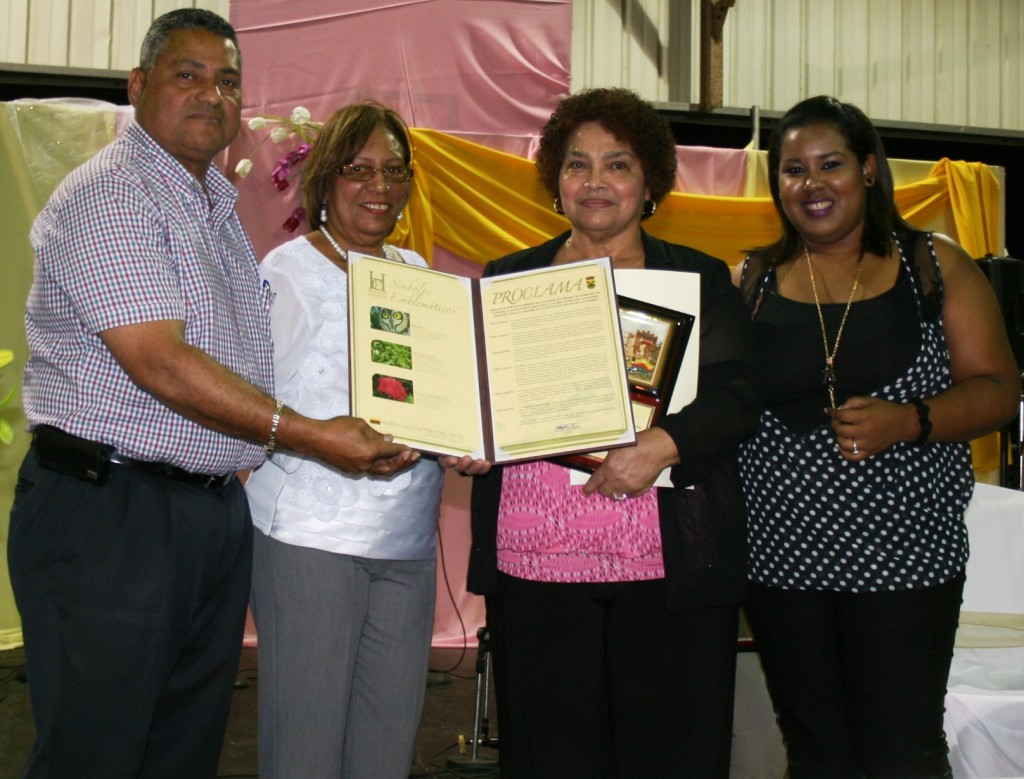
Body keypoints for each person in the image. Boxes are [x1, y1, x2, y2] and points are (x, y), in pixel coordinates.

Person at [8, 11, 416, 778]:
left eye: (227, 80)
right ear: (138, 86)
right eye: (186, 75)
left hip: (202, 513)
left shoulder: (214, 213)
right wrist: (306, 433)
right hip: (109, 513)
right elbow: (158, 362)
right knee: (97, 751)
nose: (211, 94)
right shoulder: (112, 195)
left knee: (180, 749)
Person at [466, 87, 762, 778]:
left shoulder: (696, 277)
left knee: (669, 755)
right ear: (555, 181)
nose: (596, 181)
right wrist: (472, 438)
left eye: (618, 164)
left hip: (667, 568)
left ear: (650, 180)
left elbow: (737, 395)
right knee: (552, 756)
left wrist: (662, 444)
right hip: (535, 562)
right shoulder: (510, 278)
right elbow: (485, 400)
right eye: (577, 164)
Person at [733, 95, 1021, 778]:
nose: (812, 183)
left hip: (904, 558)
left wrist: (911, 420)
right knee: (814, 751)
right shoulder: (751, 281)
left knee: (900, 751)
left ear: (867, 168)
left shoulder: (933, 266)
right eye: (793, 170)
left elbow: (999, 388)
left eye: (830, 164)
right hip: (780, 562)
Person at [245, 101, 489, 779]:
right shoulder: (287, 272)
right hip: (310, 538)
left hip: (406, 541)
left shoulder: (418, 273)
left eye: (393, 170)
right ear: (325, 181)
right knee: (306, 746)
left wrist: (469, 436)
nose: (379, 185)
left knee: (386, 747)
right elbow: (248, 404)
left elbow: (441, 397)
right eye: (359, 169)